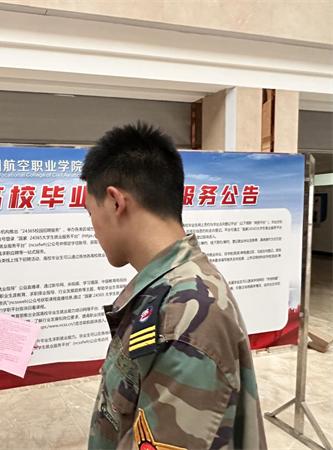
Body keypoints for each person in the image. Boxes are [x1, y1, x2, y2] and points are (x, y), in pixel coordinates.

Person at [83, 123, 267, 450]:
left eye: (89, 213)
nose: (93, 228)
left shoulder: (186, 318)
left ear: (115, 202)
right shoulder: (168, 291)